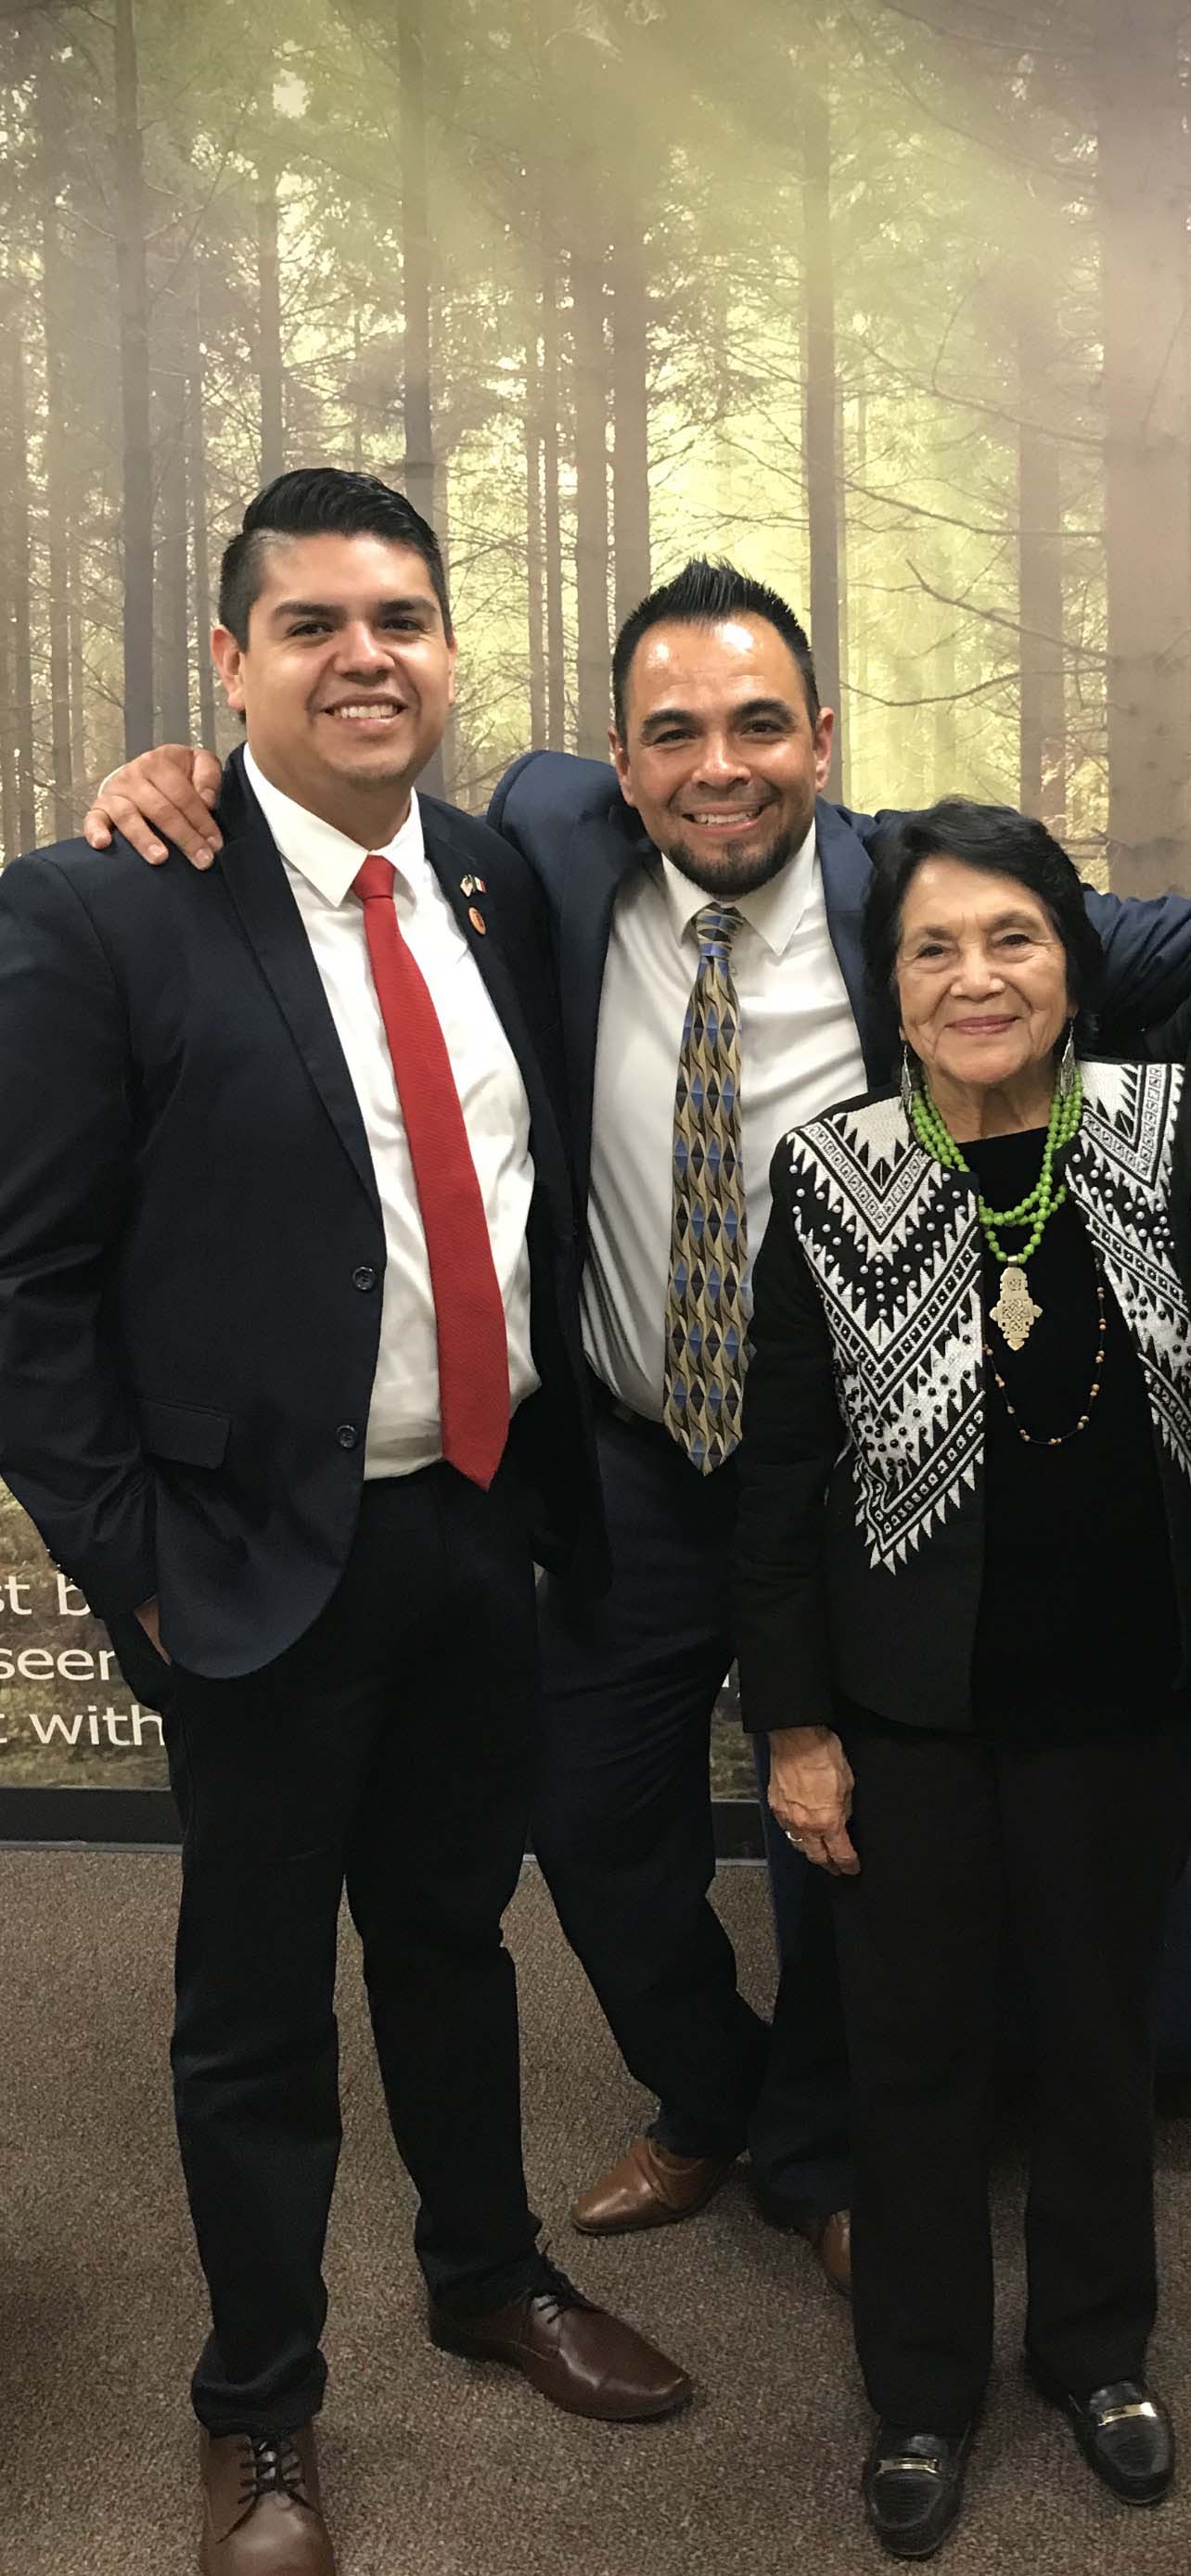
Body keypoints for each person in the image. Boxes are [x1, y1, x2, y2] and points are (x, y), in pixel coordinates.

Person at [83, 560, 1191, 2289]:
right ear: (613, 759)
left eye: (760, 725)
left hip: (862, 1476)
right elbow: (338, 799)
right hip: (627, 1464)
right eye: (671, 733)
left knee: (842, 1848)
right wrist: (188, 774)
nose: (717, 766)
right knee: (595, 1825)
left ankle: (826, 2151)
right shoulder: (542, 843)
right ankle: (715, 2089)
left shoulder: (914, 892)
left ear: (824, 743)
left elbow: (1144, 948)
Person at [0, 468, 690, 2576]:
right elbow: (27, 1292)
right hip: (252, 1567)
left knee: (453, 1944)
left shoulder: (505, 871)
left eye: (399, 616)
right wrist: (134, 1567)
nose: (363, 654)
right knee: (249, 2011)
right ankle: (262, 2408)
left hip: (482, 1524)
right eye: (308, 625)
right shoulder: (104, 903)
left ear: (451, 649)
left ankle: (484, 2278)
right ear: (230, 664)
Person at [734, 797, 1191, 2557]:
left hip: (1127, 1701)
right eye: (934, 945)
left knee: (1099, 2039)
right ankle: (921, 2388)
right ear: (893, 986)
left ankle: (1095, 2348)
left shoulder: (1162, 1133)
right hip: (904, 1721)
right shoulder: (833, 1174)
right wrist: (794, 1726)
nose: (976, 973)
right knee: (910, 2060)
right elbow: (776, 1483)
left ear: (1073, 967)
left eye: (1013, 936)